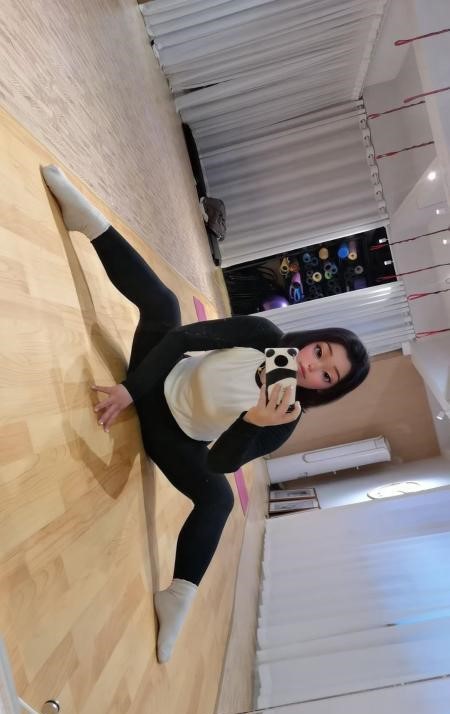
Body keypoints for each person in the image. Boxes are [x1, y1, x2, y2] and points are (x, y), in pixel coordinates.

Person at [41, 165, 370, 663]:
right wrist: (131, 390)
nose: (311, 366)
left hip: (172, 439)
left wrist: (253, 424)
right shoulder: (264, 335)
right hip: (155, 375)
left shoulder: (285, 418)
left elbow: (217, 465)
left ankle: (179, 596)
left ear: (328, 390)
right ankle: (90, 224)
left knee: (218, 499)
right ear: (313, 340)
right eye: (321, 352)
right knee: (164, 304)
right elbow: (181, 339)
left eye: (327, 375)